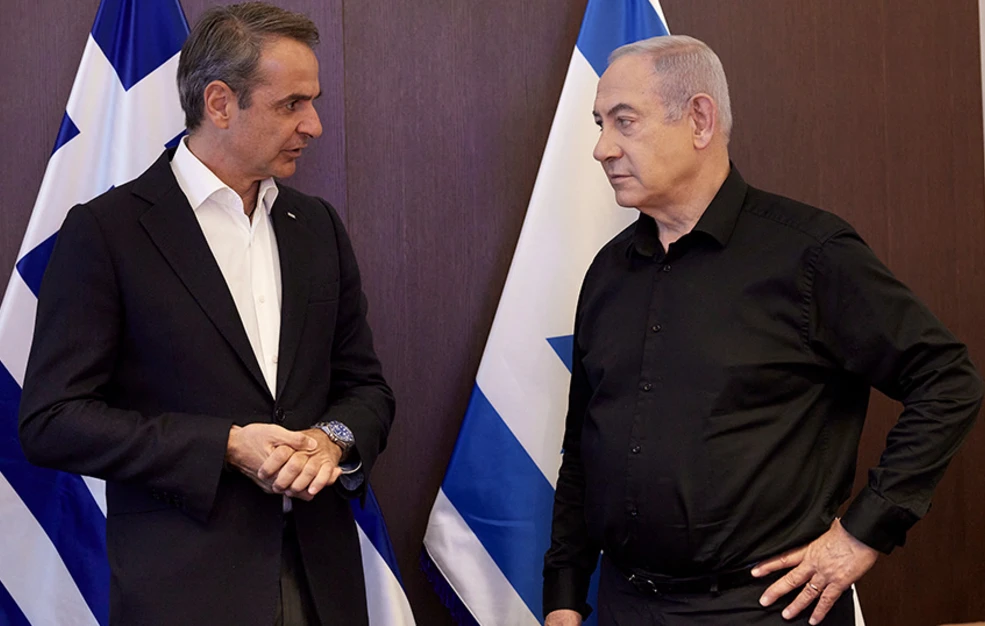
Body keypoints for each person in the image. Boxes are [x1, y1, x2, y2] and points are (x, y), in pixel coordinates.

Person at [543, 35, 982, 626]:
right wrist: (564, 596)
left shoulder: (811, 254)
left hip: (764, 608)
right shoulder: (607, 273)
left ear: (700, 119)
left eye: (625, 121)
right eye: (601, 124)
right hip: (626, 605)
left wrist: (863, 533)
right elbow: (583, 445)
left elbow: (948, 379)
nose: (602, 149)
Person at [18, 3, 394, 625]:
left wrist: (330, 441)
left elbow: (366, 389)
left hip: (323, 585)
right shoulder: (107, 232)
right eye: (292, 104)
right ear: (220, 103)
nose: (314, 125)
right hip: (185, 592)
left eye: (313, 102)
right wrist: (225, 445)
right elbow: (52, 421)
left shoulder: (317, 227)